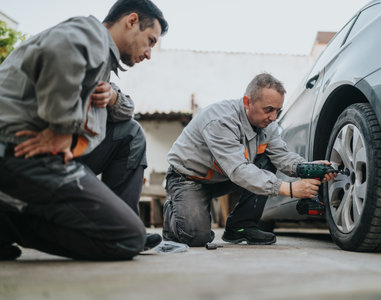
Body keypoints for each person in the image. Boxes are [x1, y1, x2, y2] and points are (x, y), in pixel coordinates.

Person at [0, 0, 168, 260]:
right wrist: (62, 128)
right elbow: (58, 50)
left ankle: (119, 217)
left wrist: (112, 97)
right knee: (126, 239)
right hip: (20, 149)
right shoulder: (91, 34)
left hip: (50, 153)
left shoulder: (101, 60)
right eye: (151, 41)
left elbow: (125, 113)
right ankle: (7, 223)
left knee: (130, 133)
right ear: (131, 21)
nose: (149, 53)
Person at [163, 73, 336, 247]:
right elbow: (239, 170)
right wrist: (290, 189)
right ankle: (174, 211)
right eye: (268, 110)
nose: (274, 117)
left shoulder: (269, 125)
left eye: (278, 111)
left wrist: (306, 168)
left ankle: (241, 226)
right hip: (188, 179)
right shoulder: (220, 121)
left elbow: (281, 156)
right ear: (247, 102)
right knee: (197, 237)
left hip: (223, 177)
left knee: (266, 159)